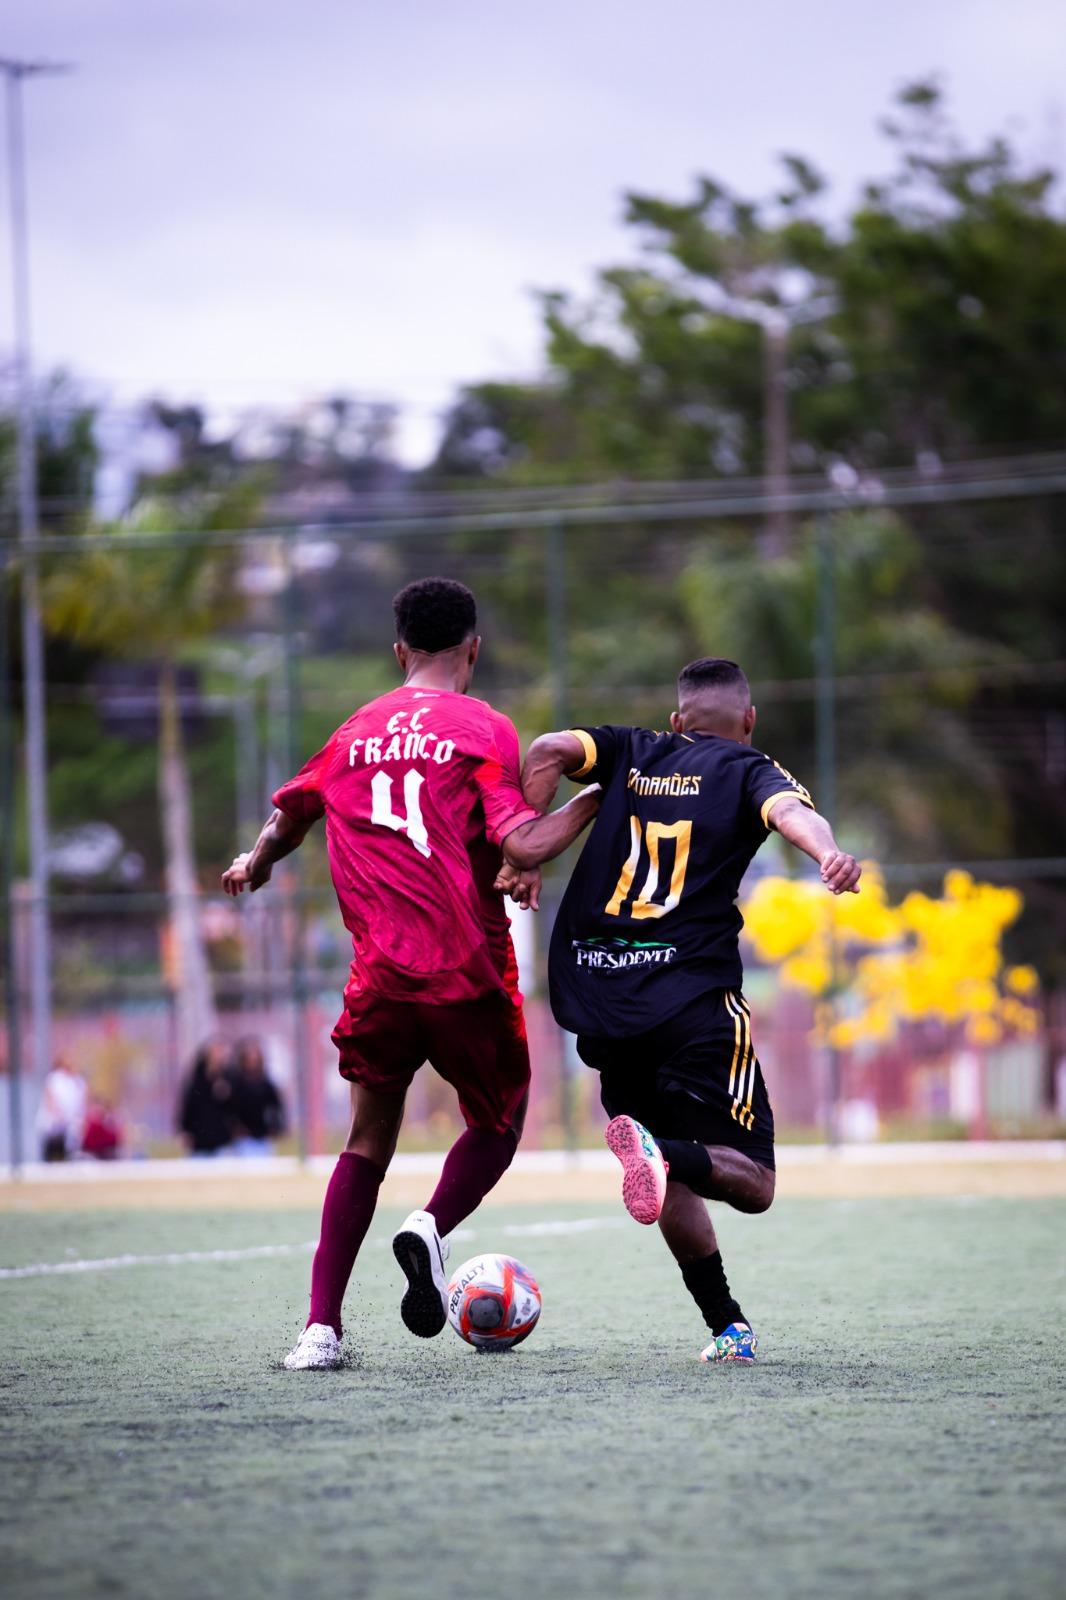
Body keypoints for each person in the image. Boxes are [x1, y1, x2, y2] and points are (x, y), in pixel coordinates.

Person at [222, 576, 599, 1370]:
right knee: (496, 1124)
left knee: (366, 1139)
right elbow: (522, 841)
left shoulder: (353, 730)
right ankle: (429, 1226)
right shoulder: (485, 728)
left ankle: (319, 1332)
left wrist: (254, 864)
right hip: (467, 972)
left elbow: (290, 813)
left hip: (379, 980)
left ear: (399, 652)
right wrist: (599, 797)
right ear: (474, 648)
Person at [505, 657, 861, 1365]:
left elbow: (545, 750)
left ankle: (726, 1325)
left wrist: (527, 847)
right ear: (748, 722)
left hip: (597, 992)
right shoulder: (752, 768)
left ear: (677, 721)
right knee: (752, 1183)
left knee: (664, 1166)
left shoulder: (632, 749)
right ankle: (660, 1155)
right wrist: (830, 854)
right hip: (688, 997)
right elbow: (792, 814)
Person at [177, 1038, 238, 1156]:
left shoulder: (230, 1078)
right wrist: (184, 1130)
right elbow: (188, 1106)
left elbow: (238, 1108)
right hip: (199, 1141)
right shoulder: (196, 1079)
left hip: (223, 1140)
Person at [231, 1038, 286, 1156]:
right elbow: (230, 1108)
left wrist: (276, 1127)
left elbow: (276, 1106)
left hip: (262, 1136)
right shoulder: (236, 1083)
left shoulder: (266, 1083)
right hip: (243, 1138)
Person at [36, 1058, 88, 1162]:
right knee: (52, 1149)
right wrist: (58, 1114)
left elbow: (83, 1102)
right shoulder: (55, 1078)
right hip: (55, 1123)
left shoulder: (79, 1082)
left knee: (70, 1149)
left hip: (71, 1124)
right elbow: (49, 1098)